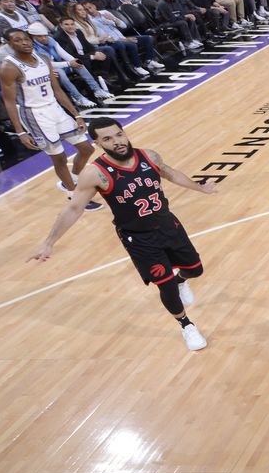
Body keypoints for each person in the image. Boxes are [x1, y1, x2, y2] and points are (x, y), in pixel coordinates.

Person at [27, 117, 216, 351]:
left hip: (168, 225)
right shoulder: (95, 173)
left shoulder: (149, 156)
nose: (116, 142)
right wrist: (49, 242)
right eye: (107, 138)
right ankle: (186, 324)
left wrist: (200, 188)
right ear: (97, 143)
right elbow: (74, 208)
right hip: (138, 238)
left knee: (195, 270)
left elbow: (170, 173)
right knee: (164, 285)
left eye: (118, 135)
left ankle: (181, 281)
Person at [0, 28, 101, 207]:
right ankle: (73, 194)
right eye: (18, 40)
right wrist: (20, 132)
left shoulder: (43, 59)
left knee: (86, 148)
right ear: (8, 44)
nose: (25, 42)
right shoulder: (9, 67)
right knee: (59, 157)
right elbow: (8, 101)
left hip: (54, 108)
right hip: (34, 114)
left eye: (27, 39)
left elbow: (58, 90)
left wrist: (76, 114)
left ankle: (72, 178)